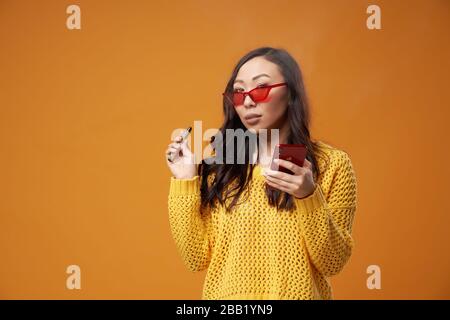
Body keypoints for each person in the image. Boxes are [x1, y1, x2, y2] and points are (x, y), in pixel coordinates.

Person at [165, 47, 357, 300]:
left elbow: (332, 262)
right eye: (239, 92)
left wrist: (308, 195)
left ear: (290, 93)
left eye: (261, 89)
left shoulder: (332, 164)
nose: (247, 101)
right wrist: (184, 179)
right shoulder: (223, 166)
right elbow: (196, 257)